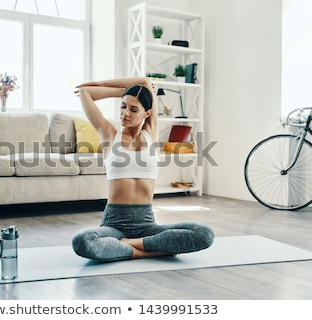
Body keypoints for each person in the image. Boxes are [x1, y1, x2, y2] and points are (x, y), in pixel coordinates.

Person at [72, 77, 214, 262]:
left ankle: (129, 245)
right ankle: (149, 249)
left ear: (147, 113)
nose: (125, 113)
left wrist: (129, 90)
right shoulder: (109, 133)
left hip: (146, 224)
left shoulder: (151, 133)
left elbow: (145, 82)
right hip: (114, 225)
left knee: (204, 234)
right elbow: (85, 93)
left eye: (133, 109)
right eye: (123, 106)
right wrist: (119, 91)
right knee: (83, 241)